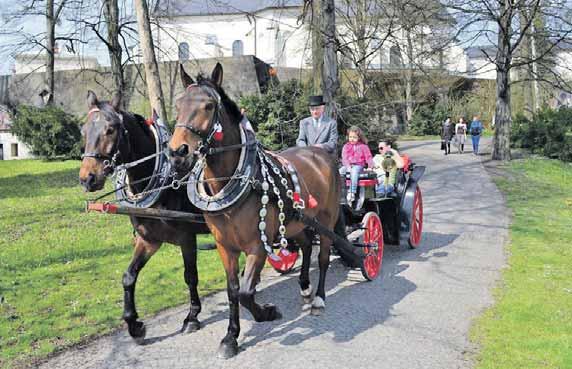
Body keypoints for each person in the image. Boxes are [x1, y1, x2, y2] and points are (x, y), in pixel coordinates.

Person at [339, 126, 373, 204]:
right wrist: (348, 166)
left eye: (354, 137)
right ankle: (340, 190)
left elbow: (368, 157)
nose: (352, 139)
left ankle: (352, 191)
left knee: (354, 172)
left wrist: (370, 166)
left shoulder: (363, 147)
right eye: (350, 137)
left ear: (359, 137)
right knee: (339, 171)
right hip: (348, 165)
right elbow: (344, 158)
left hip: (358, 165)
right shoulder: (346, 146)